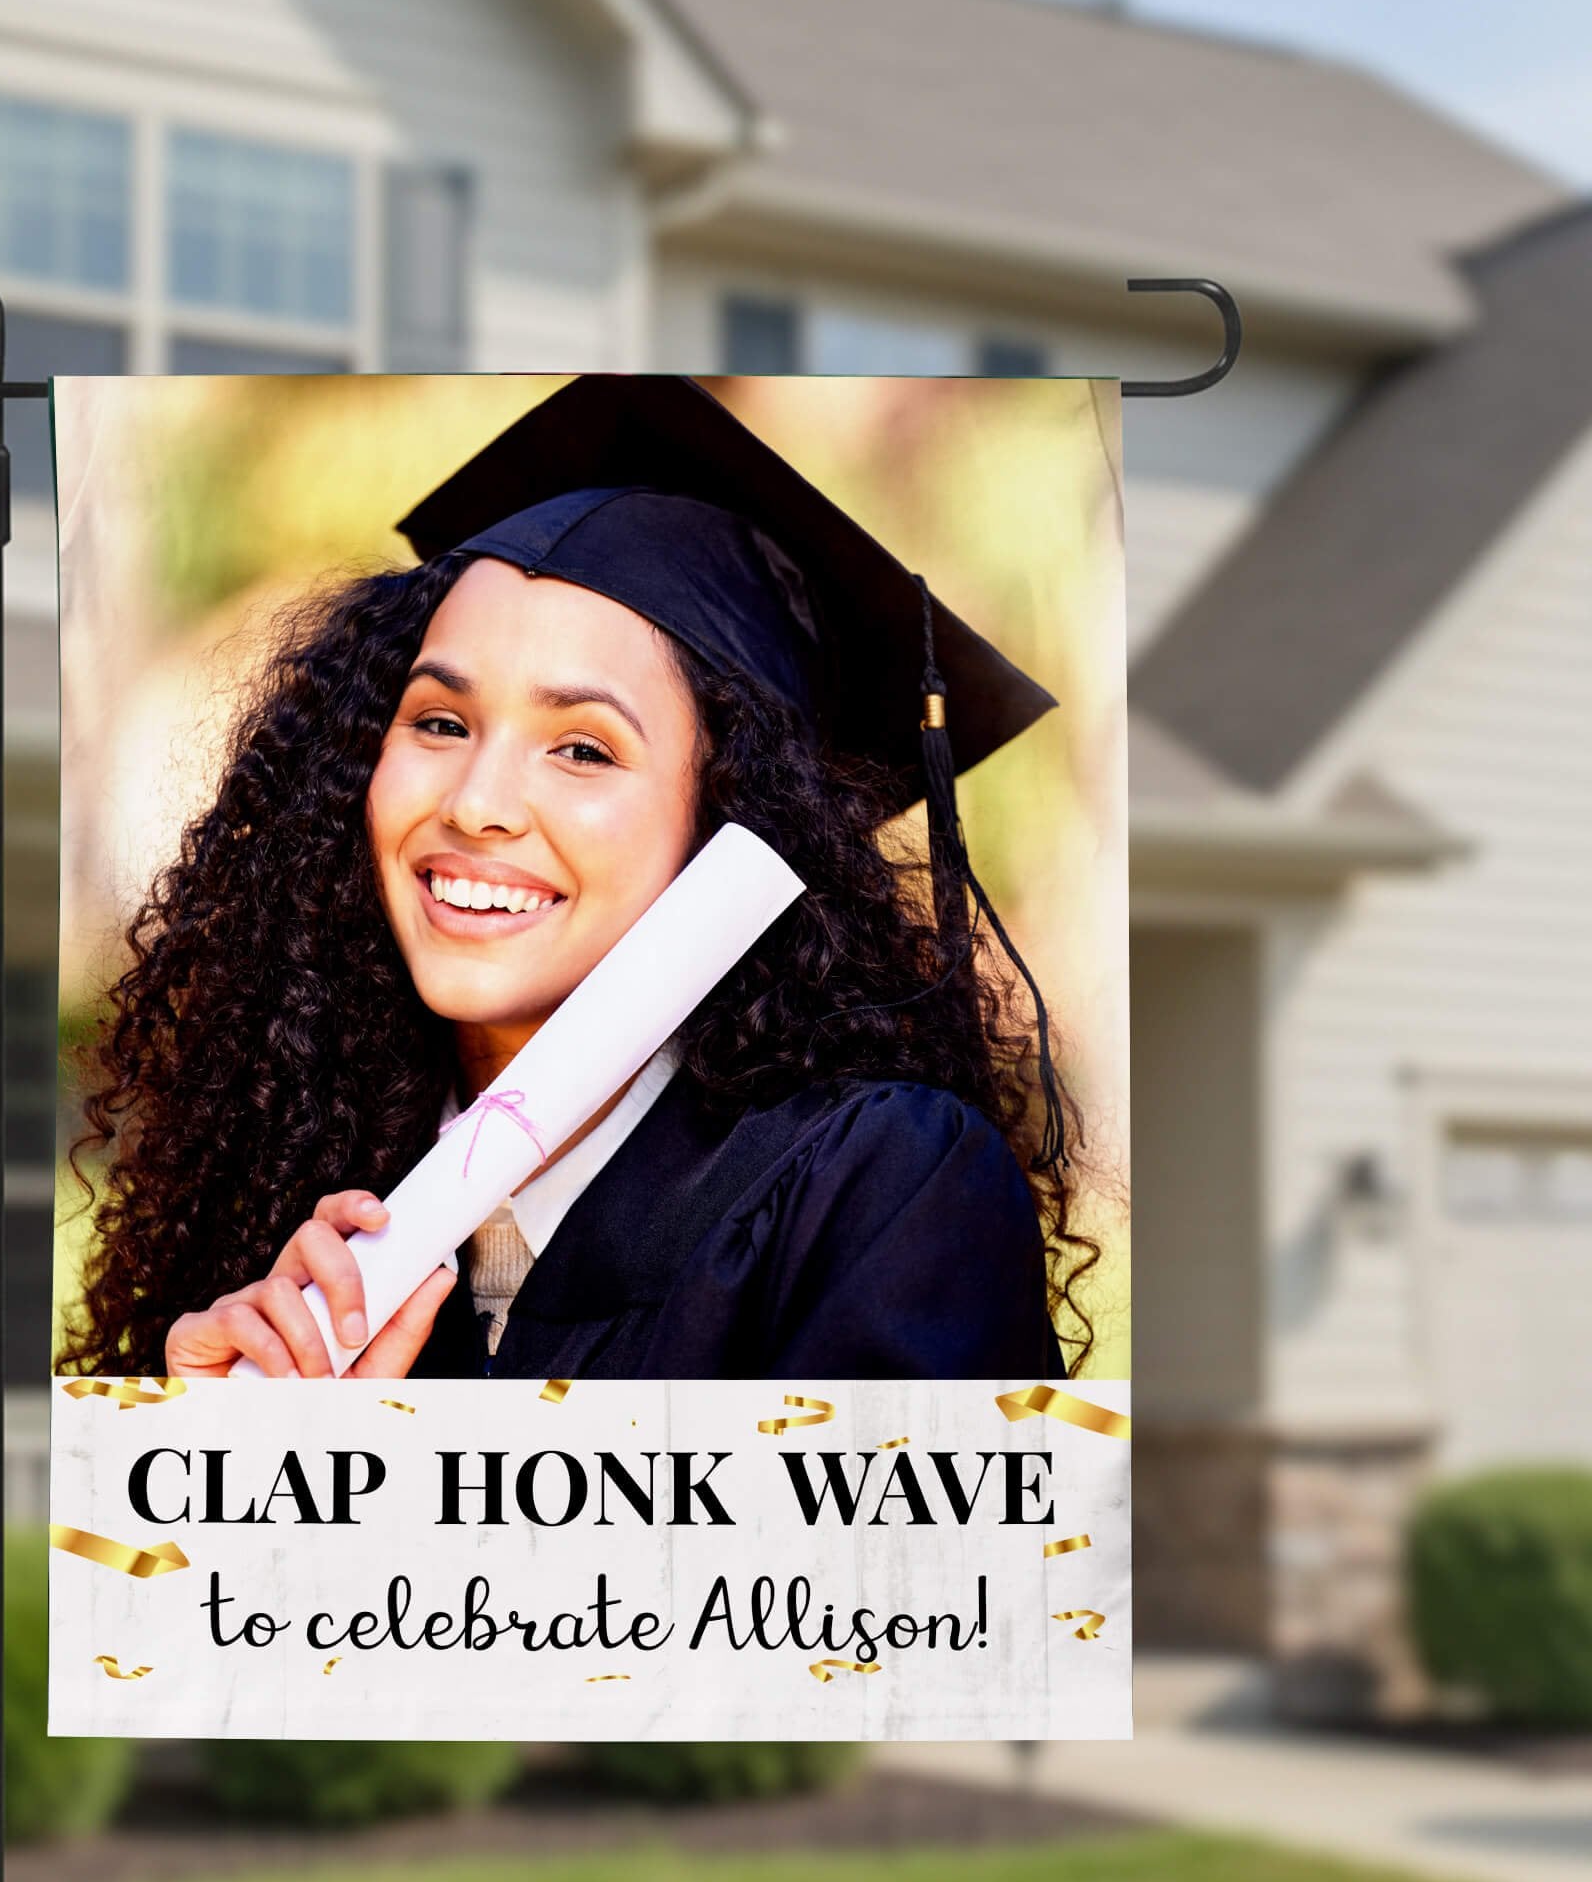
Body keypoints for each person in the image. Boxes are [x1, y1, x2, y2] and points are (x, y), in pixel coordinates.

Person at [58, 375, 1101, 1383]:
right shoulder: (300, 1188)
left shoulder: (871, 1189)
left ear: (730, 823)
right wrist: (219, 1469)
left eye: (583, 749)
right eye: (438, 722)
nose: (476, 802)